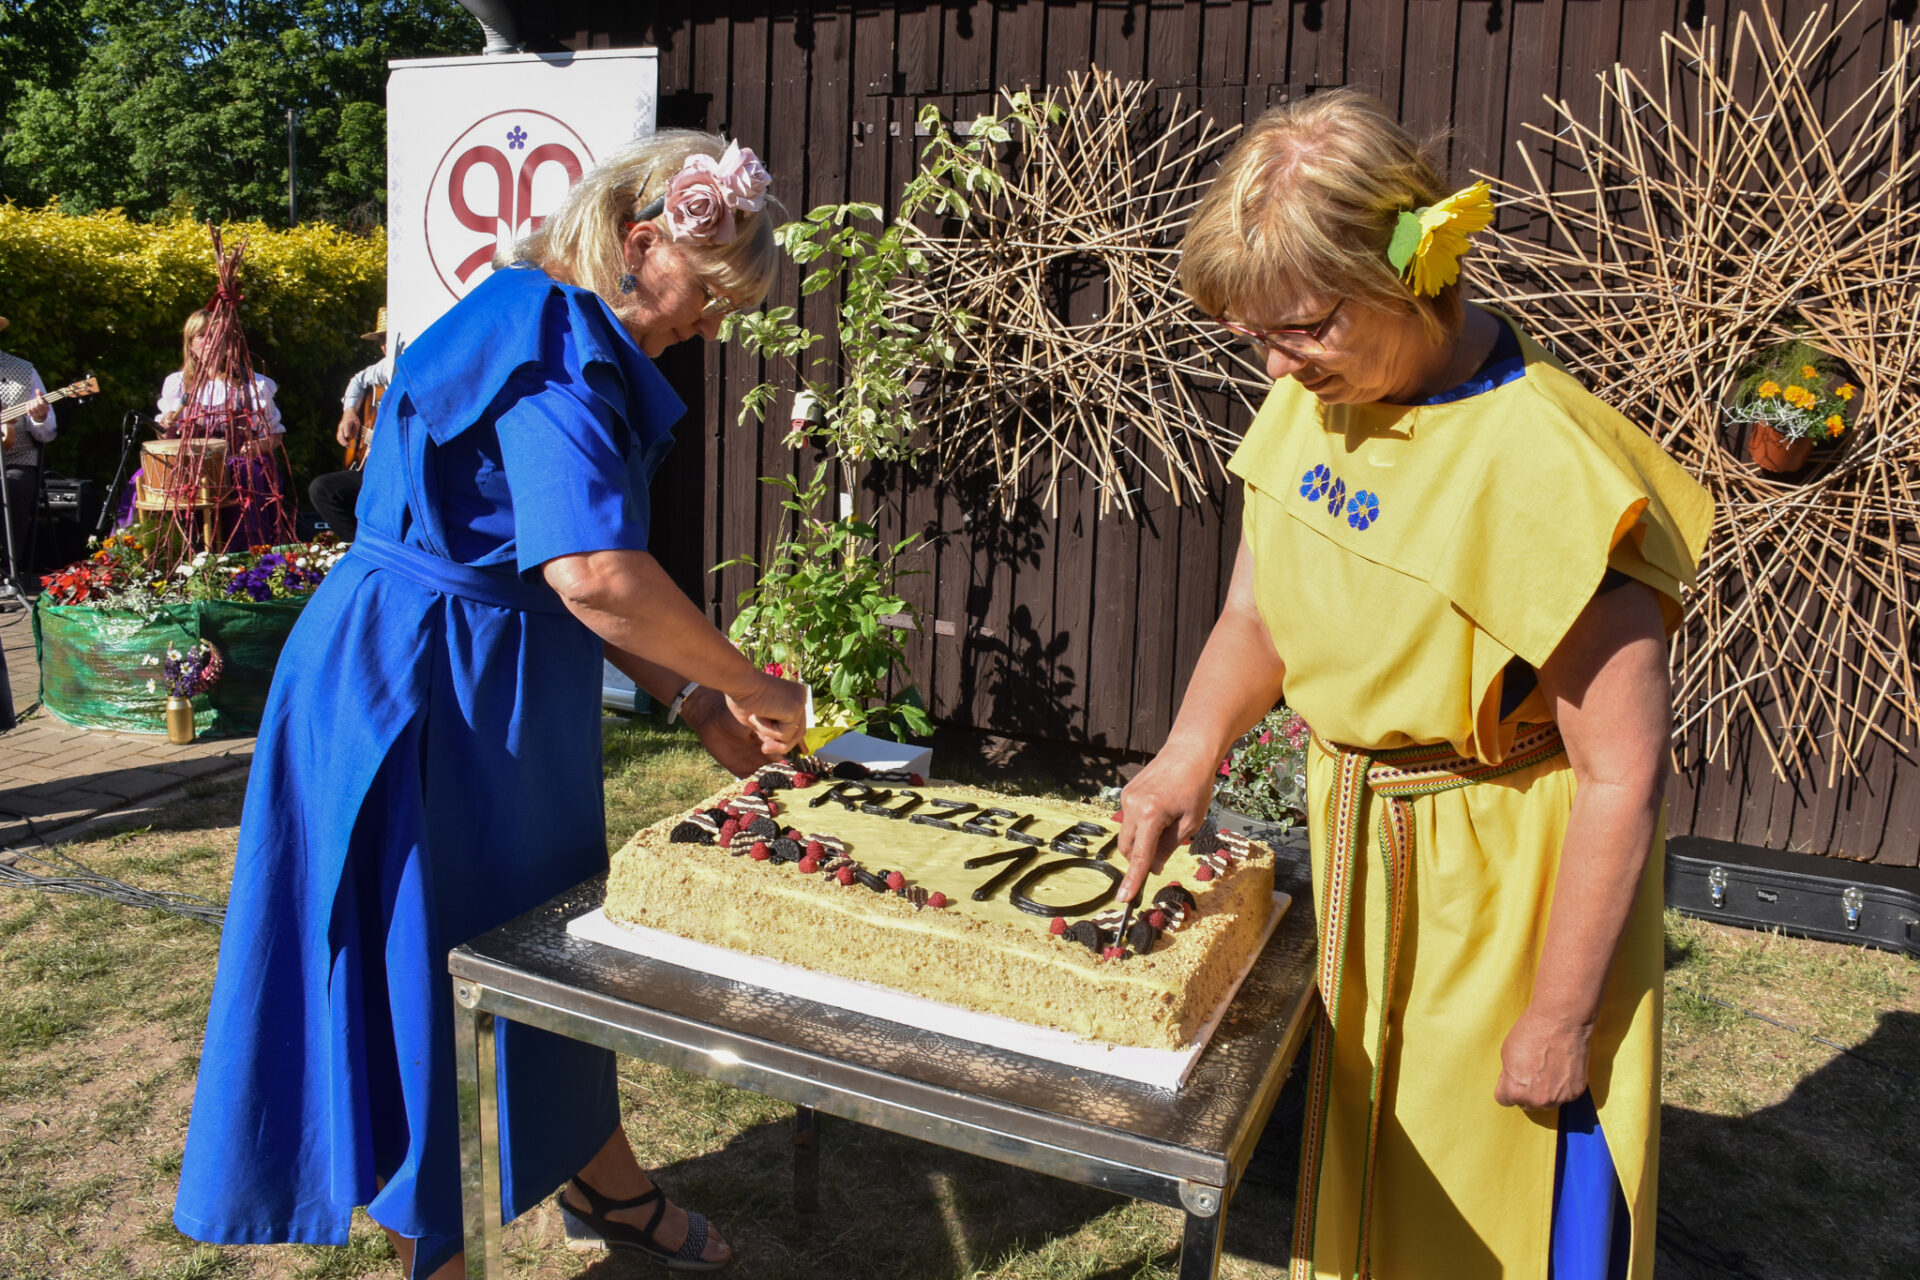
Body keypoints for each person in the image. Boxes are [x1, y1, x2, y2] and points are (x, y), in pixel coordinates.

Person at [173, 132, 807, 1278]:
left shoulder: (554, 325)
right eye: (710, 290)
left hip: (491, 681)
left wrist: (699, 703)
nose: (716, 322)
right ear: (637, 237)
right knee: (436, 964)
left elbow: (551, 569)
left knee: (546, 938)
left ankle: (598, 1175)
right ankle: (441, 1248)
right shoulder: (549, 337)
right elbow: (594, 573)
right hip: (423, 691)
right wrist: (756, 683)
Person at [1115, 91, 1712, 1280]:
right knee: (1368, 1171)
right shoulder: (1313, 400)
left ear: (1415, 271)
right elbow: (1256, 612)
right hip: (1361, 852)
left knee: (1492, 1204)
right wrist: (1189, 750)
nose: (1282, 367)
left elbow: (1622, 774)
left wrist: (1558, 1014)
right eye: (1258, 341)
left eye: (1309, 328)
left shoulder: (1547, 466)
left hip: (1503, 889)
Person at [309, 309, 394, 542]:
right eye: (381, 340)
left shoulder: (419, 368)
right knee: (323, 489)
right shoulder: (385, 368)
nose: (384, 347)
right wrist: (349, 413)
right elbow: (358, 380)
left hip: (402, 476)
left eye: (388, 338)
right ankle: (357, 547)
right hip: (376, 468)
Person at [0, 316, 55, 592]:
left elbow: (46, 434)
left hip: (15, 461)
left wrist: (40, 416)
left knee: (10, 487)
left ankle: (9, 572)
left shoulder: (23, 371)